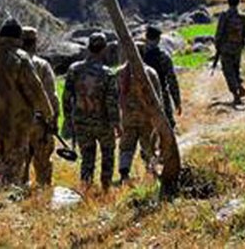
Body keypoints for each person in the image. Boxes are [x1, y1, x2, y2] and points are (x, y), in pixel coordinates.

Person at [0, 19, 53, 187]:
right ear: (18, 38)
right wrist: (48, 114)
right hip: (17, 124)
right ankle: (7, 205)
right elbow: (35, 90)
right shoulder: (20, 58)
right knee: (13, 169)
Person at [63, 33, 121, 190]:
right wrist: (116, 124)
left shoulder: (74, 69)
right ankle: (106, 188)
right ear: (104, 50)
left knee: (87, 158)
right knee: (108, 155)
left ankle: (86, 188)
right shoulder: (108, 73)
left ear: (89, 47)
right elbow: (111, 102)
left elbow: (66, 97)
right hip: (103, 123)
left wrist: (68, 119)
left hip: (81, 122)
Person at [118, 41, 163, 183]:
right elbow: (157, 97)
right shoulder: (150, 72)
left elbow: (114, 96)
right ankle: (152, 172)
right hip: (146, 118)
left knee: (126, 147)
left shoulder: (120, 73)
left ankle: (124, 174)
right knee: (149, 147)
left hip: (127, 118)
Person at [21, 26, 60, 187]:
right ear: (35, 43)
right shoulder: (42, 65)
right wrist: (54, 120)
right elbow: (51, 96)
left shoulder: (13, 62)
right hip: (40, 123)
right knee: (43, 164)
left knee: (20, 164)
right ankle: (43, 198)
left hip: (18, 122)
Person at [213, 0, 245, 105]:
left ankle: (236, 93)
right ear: (238, 2)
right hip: (238, 49)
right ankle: (239, 85)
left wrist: (217, 47)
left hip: (226, 49)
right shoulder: (242, 17)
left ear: (228, 2)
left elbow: (218, 33)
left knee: (228, 72)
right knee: (236, 70)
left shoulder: (224, 15)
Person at [142, 25, 181, 130]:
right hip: (161, 95)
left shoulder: (138, 56)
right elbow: (172, 80)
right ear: (158, 40)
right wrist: (177, 101)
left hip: (142, 97)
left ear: (146, 37)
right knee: (168, 125)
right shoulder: (163, 57)